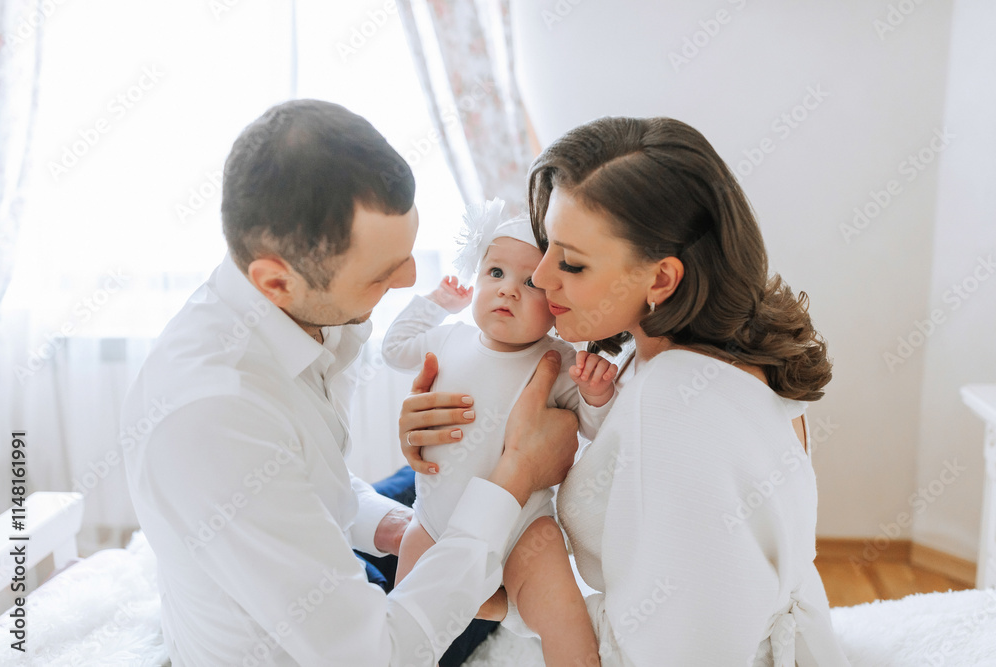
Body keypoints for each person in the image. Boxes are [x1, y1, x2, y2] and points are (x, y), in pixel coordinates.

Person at [121, 99, 580, 666]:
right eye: (382, 272)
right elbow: (376, 655)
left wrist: (394, 526)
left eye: (407, 252)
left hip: (320, 569)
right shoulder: (214, 417)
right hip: (338, 646)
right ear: (276, 280)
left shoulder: (305, 311)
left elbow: (313, 483)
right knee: (484, 525)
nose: (410, 279)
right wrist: (515, 475)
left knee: (419, 489)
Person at [400, 116, 852, 666]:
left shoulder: (679, 405)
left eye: (571, 263)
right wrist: (456, 443)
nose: (540, 277)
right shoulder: (684, 355)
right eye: (546, 245)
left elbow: (673, 644)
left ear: (660, 279)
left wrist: (518, 473)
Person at [381, 199, 617, 666]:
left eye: (529, 283)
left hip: (526, 528)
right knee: (409, 626)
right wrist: (436, 303)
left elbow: (591, 429)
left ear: (556, 303)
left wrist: (596, 394)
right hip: (435, 522)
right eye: (495, 273)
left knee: (564, 619)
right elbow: (393, 347)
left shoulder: (560, 360)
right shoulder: (449, 338)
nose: (507, 289)